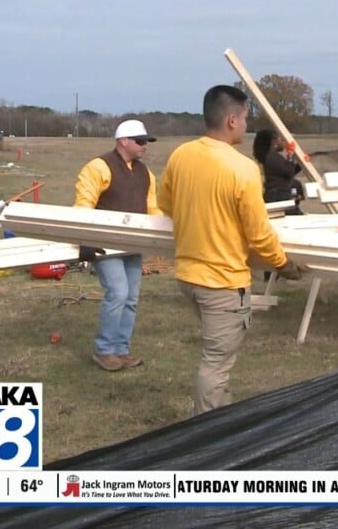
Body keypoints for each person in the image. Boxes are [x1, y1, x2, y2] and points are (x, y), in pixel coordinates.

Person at [159, 85, 303, 416]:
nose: (247, 125)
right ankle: (207, 435)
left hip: (188, 276)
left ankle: (220, 416)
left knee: (217, 358)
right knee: (216, 363)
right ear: (231, 120)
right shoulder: (242, 169)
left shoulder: (181, 155)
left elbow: (166, 203)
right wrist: (282, 264)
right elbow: (259, 233)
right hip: (222, 283)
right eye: (245, 118)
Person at [74, 119, 162, 372]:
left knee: (131, 298)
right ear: (123, 141)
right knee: (118, 293)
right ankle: (104, 350)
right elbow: (84, 205)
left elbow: (152, 209)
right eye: (140, 141)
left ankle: (121, 350)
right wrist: (86, 240)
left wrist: (162, 236)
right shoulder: (98, 167)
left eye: (146, 141)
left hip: (133, 244)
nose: (145, 146)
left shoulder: (146, 173)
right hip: (105, 244)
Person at [252, 128, 305, 216]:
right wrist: (290, 155)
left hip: (278, 195)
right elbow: (289, 172)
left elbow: (288, 172)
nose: (283, 143)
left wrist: (301, 164)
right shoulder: (272, 157)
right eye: (281, 140)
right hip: (278, 196)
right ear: (273, 142)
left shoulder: (272, 156)